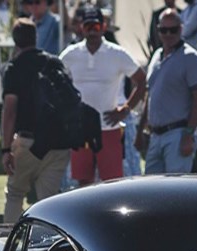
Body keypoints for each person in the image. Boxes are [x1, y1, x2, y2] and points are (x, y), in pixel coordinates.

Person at [60, 7, 145, 185]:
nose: (92, 31)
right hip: (81, 130)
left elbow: (141, 80)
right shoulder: (71, 54)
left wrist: (125, 109)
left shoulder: (117, 53)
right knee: (83, 183)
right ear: (81, 28)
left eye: (96, 27)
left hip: (110, 128)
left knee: (112, 183)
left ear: (104, 27)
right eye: (88, 26)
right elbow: (55, 80)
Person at [1, 18, 71, 222]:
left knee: (15, 194)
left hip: (27, 143)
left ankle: (9, 246)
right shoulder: (55, 62)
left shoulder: (14, 67)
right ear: (36, 37)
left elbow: (10, 110)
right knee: (48, 204)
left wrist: (6, 149)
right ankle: (48, 250)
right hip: (59, 143)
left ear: (15, 40)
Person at [139, 8, 197, 174]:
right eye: (164, 30)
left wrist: (189, 134)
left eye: (173, 30)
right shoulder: (156, 56)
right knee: (150, 189)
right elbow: (151, 94)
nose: (168, 34)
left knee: (176, 189)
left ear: (181, 29)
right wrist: (140, 129)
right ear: (158, 30)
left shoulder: (191, 58)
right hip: (156, 135)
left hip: (178, 133)